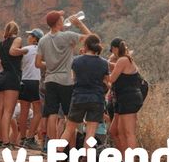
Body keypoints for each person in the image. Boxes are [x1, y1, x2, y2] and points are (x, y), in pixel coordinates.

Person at [36, 10, 91, 142]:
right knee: (69, 117)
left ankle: (51, 148)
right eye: (61, 18)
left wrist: (50, 64)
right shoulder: (67, 36)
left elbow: (37, 63)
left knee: (52, 115)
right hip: (66, 81)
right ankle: (71, 150)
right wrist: (79, 24)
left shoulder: (42, 40)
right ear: (59, 22)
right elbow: (91, 38)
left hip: (50, 80)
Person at [61, 34, 110, 147]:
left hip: (79, 97)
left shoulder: (76, 61)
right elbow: (107, 81)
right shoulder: (104, 63)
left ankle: (57, 154)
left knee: (69, 129)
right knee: (91, 132)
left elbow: (73, 79)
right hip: (97, 99)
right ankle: (86, 159)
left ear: (86, 46)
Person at [0, 21, 26, 147]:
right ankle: (7, 141)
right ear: (16, 31)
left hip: (2, 77)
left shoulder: (1, 43)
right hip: (12, 78)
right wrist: (24, 51)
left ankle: (0, 140)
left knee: (0, 111)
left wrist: (0, 62)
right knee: (8, 112)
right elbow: (13, 51)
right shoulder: (17, 39)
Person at [109, 39, 144, 155]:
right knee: (120, 131)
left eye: (112, 50)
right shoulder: (127, 60)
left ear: (115, 48)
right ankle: (125, 159)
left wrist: (99, 73)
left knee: (129, 132)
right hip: (126, 99)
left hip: (128, 98)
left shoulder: (123, 60)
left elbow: (111, 79)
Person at [18, 28, 44, 149]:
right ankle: (30, 138)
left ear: (35, 38)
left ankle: (22, 138)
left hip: (23, 81)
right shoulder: (41, 50)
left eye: (30, 36)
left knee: (24, 111)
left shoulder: (25, 50)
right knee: (38, 112)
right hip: (35, 82)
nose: (28, 37)